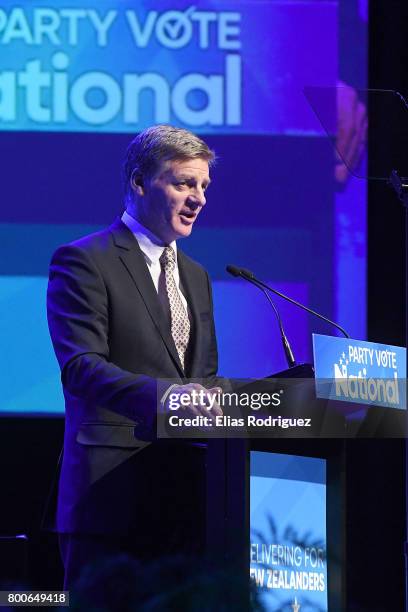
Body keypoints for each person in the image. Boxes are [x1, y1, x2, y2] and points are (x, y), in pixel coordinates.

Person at [46, 125, 224, 589]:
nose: (199, 198)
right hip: (111, 499)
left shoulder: (197, 275)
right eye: (184, 183)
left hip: (188, 500)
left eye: (204, 186)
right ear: (139, 182)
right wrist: (171, 398)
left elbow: (202, 377)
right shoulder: (85, 260)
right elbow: (81, 367)